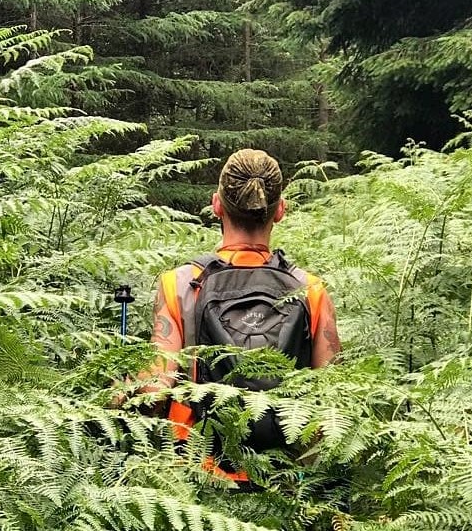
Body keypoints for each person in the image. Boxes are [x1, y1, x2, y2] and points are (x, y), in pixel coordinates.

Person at [143, 148, 341, 482]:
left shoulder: (178, 285)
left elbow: (154, 394)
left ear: (217, 205)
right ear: (279, 211)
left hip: (198, 479)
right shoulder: (311, 290)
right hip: (284, 483)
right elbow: (333, 407)